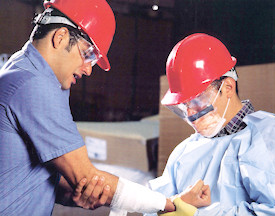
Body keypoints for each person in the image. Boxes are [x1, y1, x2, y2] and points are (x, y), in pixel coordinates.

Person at [0, 1, 211, 215]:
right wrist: (171, 204)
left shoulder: (24, 69)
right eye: (89, 54)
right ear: (60, 37)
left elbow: (30, 174)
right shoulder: (34, 85)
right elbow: (86, 177)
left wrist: (74, 192)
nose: (89, 70)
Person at [144, 33, 275, 216]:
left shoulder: (272, 136)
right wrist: (175, 203)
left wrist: (194, 214)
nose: (190, 113)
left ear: (228, 87)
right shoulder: (184, 152)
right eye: (184, 105)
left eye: (197, 100)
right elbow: (152, 208)